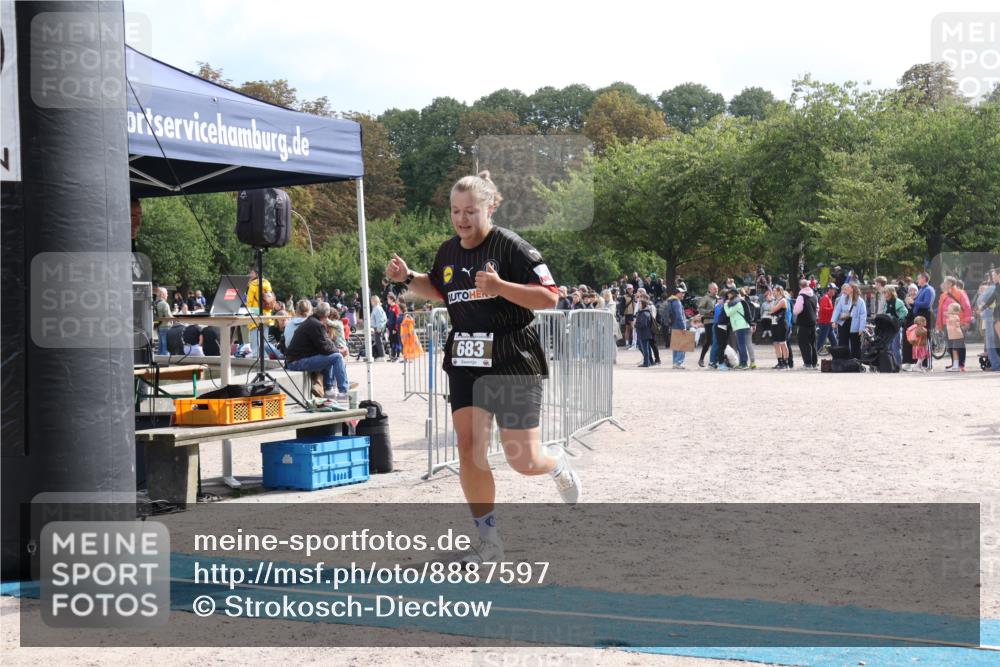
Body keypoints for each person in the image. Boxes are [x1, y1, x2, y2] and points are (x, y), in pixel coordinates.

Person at [384, 170, 580, 564]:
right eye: (456, 212)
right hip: (467, 359)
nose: (462, 220)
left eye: (470, 211)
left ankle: (554, 461)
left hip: (512, 357)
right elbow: (438, 289)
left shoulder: (512, 248)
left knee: (522, 461)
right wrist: (408, 278)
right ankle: (488, 539)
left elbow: (550, 298)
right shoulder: (448, 251)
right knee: (468, 448)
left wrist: (501, 287)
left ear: (490, 207)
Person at [285, 301, 350, 401]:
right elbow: (325, 348)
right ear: (327, 315)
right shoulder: (316, 325)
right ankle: (343, 392)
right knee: (337, 357)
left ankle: (329, 391)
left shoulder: (312, 322)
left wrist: (337, 349)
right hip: (296, 362)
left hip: (295, 359)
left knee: (332, 355)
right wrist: (340, 351)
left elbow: (326, 344)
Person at [832, 282, 867, 360]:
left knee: (855, 343)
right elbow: (837, 310)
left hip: (855, 323)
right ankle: (842, 360)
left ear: (852, 289)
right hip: (843, 322)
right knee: (842, 342)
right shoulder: (843, 298)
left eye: (848, 288)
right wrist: (834, 321)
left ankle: (855, 362)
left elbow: (863, 315)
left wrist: (861, 328)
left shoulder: (860, 301)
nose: (846, 290)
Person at [792, 279, 818, 369]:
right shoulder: (814, 295)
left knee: (803, 343)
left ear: (800, 286)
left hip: (804, 322)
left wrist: (794, 309)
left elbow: (796, 310)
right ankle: (814, 362)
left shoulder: (801, 296)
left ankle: (807, 363)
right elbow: (817, 308)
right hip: (813, 322)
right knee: (812, 343)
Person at [723, 288, 750, 370]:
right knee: (739, 345)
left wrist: (725, 305)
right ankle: (742, 363)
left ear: (733, 294)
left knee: (741, 345)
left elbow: (728, 313)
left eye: (729, 293)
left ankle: (744, 363)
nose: (728, 295)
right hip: (738, 326)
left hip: (740, 326)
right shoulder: (735, 303)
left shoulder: (737, 304)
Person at [665, 286, 688, 369]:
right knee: (683, 345)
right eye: (682, 293)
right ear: (677, 293)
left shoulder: (671, 301)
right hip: (679, 326)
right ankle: (678, 363)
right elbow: (679, 316)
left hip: (674, 325)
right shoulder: (677, 302)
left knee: (676, 345)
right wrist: (683, 327)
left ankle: (675, 362)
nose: (683, 295)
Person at [696, 283, 718, 368]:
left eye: (717, 289)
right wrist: (709, 311)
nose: (716, 290)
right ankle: (702, 359)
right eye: (714, 289)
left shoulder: (719, 298)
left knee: (715, 341)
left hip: (717, 322)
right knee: (709, 340)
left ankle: (715, 360)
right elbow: (700, 309)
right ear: (710, 289)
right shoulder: (705, 298)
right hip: (709, 321)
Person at [770, 286, 790, 369]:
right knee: (775, 343)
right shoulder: (776, 300)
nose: (773, 292)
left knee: (782, 343)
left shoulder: (783, 300)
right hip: (774, 323)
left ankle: (786, 362)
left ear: (779, 292)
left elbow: (773, 310)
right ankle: (780, 361)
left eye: (774, 291)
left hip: (781, 324)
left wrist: (771, 302)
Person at [816, 285, 838, 356]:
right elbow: (823, 309)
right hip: (824, 323)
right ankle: (817, 353)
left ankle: (837, 352)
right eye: (834, 289)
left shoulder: (828, 298)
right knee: (822, 339)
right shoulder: (825, 298)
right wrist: (833, 310)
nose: (835, 291)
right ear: (830, 289)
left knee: (833, 339)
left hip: (828, 322)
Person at [944, 302, 966, 372]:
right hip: (953, 337)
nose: (948, 310)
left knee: (955, 351)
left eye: (950, 309)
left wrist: (949, 315)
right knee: (954, 351)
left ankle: (956, 366)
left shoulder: (955, 317)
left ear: (955, 311)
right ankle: (956, 365)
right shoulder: (952, 316)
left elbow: (952, 320)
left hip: (957, 337)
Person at [634, 297, 655, 367]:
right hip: (643, 333)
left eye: (640, 304)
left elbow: (643, 324)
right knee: (644, 348)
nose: (638, 305)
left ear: (643, 304)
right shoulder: (643, 312)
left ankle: (646, 363)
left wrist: (636, 325)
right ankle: (649, 361)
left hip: (644, 333)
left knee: (645, 348)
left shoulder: (644, 313)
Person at [153, 287, 172, 355]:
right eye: (166, 293)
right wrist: (176, 319)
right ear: (163, 294)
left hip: (158, 326)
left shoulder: (156, 303)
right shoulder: (164, 304)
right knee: (165, 345)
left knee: (161, 344)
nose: (167, 295)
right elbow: (168, 316)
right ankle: (165, 359)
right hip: (166, 326)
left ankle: (159, 358)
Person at [369, 295, 387, 360]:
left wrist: (379, 327)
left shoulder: (377, 308)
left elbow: (380, 319)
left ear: (374, 301)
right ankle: (380, 355)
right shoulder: (377, 308)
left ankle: (382, 356)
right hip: (377, 327)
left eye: (371, 300)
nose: (371, 302)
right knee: (378, 341)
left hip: (378, 327)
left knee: (379, 341)